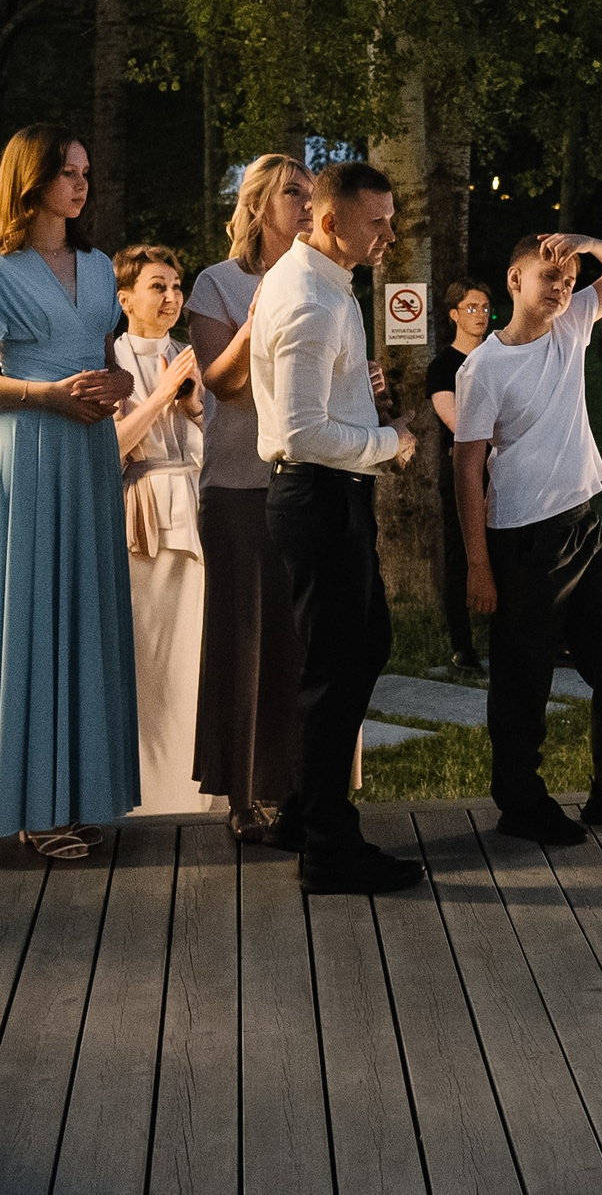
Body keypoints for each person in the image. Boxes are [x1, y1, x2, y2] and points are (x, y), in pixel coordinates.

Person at [0, 126, 139, 858]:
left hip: (90, 452)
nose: (81, 184)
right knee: (33, 613)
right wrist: (45, 395)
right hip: (29, 448)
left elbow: (109, 359)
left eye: (86, 172)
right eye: (66, 172)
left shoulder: (99, 266)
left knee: (86, 611)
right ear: (31, 181)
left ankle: (81, 796)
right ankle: (33, 807)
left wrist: (118, 382)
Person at [455, 233, 602, 845]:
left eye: (570, 278)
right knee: (524, 676)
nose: (562, 287)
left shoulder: (572, 324)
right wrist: (478, 566)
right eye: (549, 276)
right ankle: (521, 804)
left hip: (582, 523)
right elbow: (466, 468)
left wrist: (588, 243)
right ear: (514, 280)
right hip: (524, 539)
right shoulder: (484, 369)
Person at [254, 159, 421, 894]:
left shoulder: (323, 282)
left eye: (391, 218)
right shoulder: (310, 301)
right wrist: (391, 442)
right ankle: (326, 848)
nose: (390, 234)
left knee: (362, 646)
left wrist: (362, 395)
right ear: (329, 222)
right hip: (318, 496)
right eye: (376, 221)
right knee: (335, 669)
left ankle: (302, 811)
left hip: (331, 495)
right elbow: (300, 431)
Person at [189, 153, 311, 841]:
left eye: (312, 194)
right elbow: (225, 386)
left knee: (302, 644)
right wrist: (262, 313)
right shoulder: (218, 284)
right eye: (293, 192)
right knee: (245, 645)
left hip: (309, 484)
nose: (307, 205)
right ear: (258, 205)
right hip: (239, 488)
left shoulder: (327, 282)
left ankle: (300, 792)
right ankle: (242, 799)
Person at [113, 245, 214, 815]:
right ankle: (150, 797)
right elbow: (109, 450)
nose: (172, 297)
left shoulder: (191, 355)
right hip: (145, 516)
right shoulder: (109, 361)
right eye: (158, 286)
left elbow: (218, 440)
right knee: (152, 660)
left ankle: (200, 794)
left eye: (177, 286)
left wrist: (195, 405)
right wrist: (157, 397)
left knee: (194, 659)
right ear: (125, 298)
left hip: (199, 510)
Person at [427, 279, 494, 671]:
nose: (480, 315)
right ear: (454, 314)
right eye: (471, 308)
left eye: (485, 307)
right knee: (460, 555)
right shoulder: (443, 367)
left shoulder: (499, 355)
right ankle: (462, 647)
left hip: (502, 469)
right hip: (462, 470)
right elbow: (457, 423)